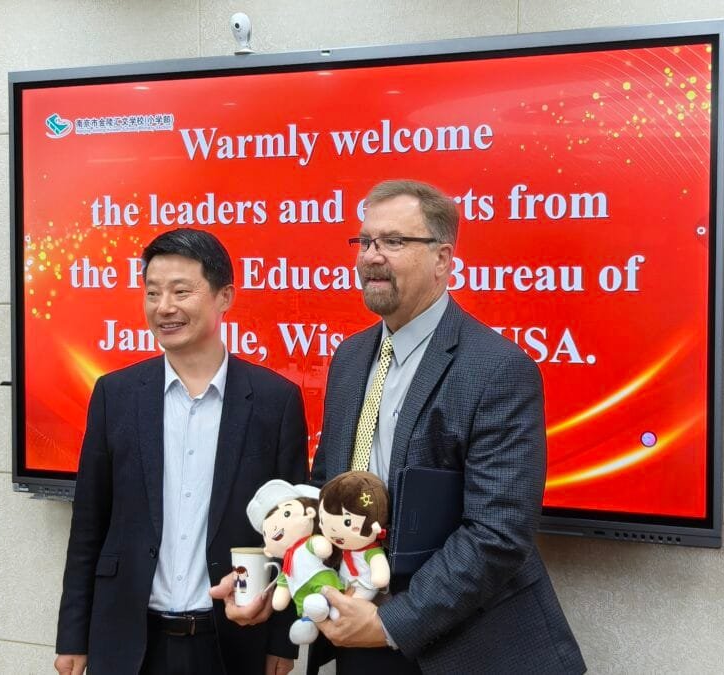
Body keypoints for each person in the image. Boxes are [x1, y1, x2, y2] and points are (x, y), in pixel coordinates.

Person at [308, 179, 586, 674]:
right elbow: (328, 487)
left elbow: (497, 533)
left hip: (463, 646)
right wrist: (278, 579)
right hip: (359, 635)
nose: (372, 256)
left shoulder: (497, 369)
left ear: (443, 259)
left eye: (393, 242)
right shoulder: (350, 360)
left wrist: (393, 623)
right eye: (366, 241)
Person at [54, 228, 308, 675]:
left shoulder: (275, 400)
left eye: (180, 291)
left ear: (224, 296)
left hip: (231, 641)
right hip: (129, 641)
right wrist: (73, 636)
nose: (163, 307)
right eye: (152, 293)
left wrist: (282, 640)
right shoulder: (117, 394)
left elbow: (292, 535)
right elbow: (89, 525)